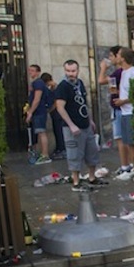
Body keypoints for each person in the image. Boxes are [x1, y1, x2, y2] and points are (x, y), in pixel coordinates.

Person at [54, 59, 102, 192]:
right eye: (68, 71)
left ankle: (92, 178)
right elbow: (60, 107)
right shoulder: (62, 87)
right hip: (72, 127)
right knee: (74, 153)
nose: (71, 74)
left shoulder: (79, 83)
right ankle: (76, 181)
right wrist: (71, 125)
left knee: (92, 152)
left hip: (85, 124)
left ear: (78, 70)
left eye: (73, 71)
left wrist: (90, 120)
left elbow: (84, 104)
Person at [113, 47, 134, 180]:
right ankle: (131, 166)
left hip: (131, 111)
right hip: (124, 112)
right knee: (128, 141)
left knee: (133, 143)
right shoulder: (123, 72)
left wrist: (124, 101)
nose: (116, 57)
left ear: (123, 58)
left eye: (118, 55)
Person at [25, 65, 53, 164]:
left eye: (32, 71)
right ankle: (42, 154)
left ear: (38, 72)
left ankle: (45, 155)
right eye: (29, 70)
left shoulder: (38, 83)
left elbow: (37, 99)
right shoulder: (37, 83)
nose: (30, 73)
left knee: (41, 133)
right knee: (40, 133)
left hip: (39, 112)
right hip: (39, 111)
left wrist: (30, 112)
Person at [98, 45, 123, 150]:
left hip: (120, 108)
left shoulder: (120, 72)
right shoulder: (116, 73)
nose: (110, 58)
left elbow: (100, 81)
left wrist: (103, 69)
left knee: (121, 138)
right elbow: (113, 89)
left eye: (112, 55)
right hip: (117, 107)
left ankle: (127, 164)